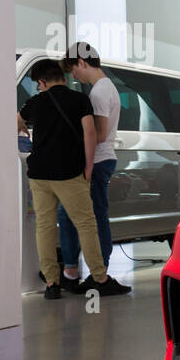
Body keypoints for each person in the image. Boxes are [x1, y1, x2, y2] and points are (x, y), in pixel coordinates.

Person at [17, 59, 131, 299]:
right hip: (68, 174)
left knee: (45, 227)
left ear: (41, 82)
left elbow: (16, 120)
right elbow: (90, 134)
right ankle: (100, 278)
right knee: (86, 224)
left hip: (38, 175)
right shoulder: (79, 101)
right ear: (62, 77)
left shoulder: (35, 102)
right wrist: (88, 167)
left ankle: (52, 284)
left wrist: (23, 128)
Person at [57, 42, 128, 292]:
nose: (74, 76)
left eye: (74, 70)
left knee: (84, 216)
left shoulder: (99, 92)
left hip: (96, 161)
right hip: (101, 160)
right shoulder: (107, 87)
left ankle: (95, 274)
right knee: (90, 216)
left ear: (82, 62)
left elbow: (98, 134)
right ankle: (91, 272)